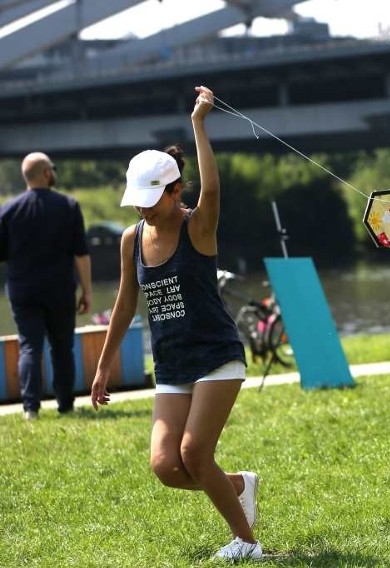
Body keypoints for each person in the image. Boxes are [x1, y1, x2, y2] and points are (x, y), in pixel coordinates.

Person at [90, 86, 261, 561]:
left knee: (194, 454)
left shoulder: (197, 227)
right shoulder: (132, 237)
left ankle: (247, 543)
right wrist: (103, 368)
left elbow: (213, 189)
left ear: (175, 190)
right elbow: (125, 305)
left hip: (215, 355)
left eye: (152, 198)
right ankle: (237, 486)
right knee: (166, 466)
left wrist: (200, 124)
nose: (143, 208)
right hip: (172, 363)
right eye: (138, 200)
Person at [0, 152, 92, 420]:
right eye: (52, 168)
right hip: (60, 289)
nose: (54, 172)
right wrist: (86, 290)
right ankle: (65, 405)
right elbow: (81, 254)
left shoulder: (7, 211)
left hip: (23, 291)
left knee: (30, 347)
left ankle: (31, 409)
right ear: (44, 173)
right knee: (63, 347)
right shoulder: (68, 206)